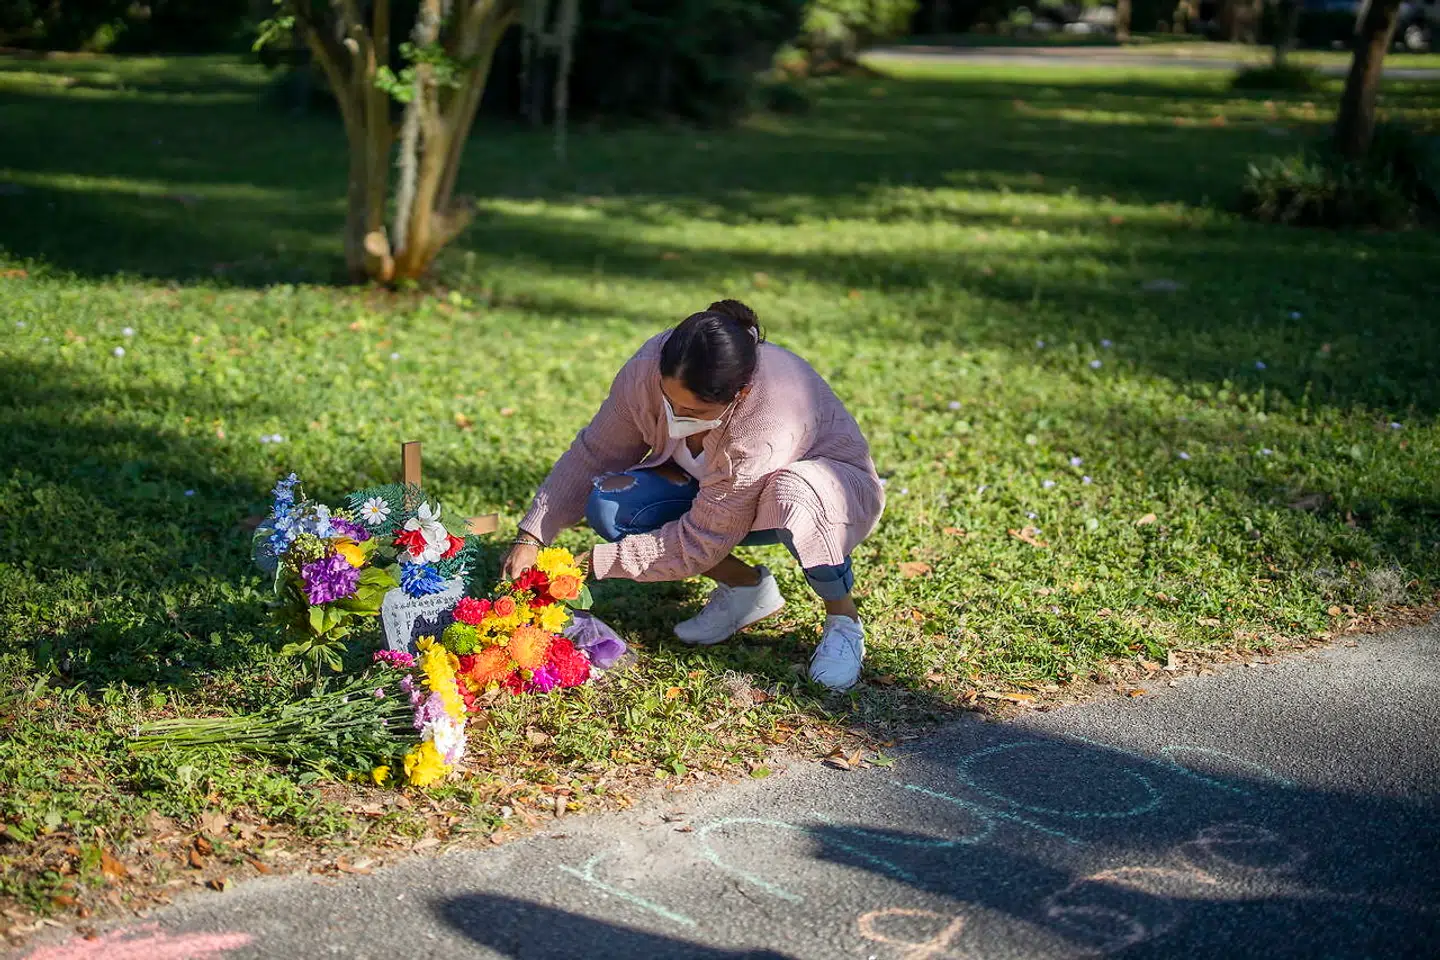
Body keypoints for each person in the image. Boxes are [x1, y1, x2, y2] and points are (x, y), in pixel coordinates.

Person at [501, 300, 884, 690]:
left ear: (741, 392)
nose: (674, 414)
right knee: (613, 503)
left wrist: (591, 563)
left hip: (823, 493)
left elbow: (702, 540)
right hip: (714, 491)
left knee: (794, 496)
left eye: (694, 410)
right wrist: (531, 535)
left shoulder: (765, 421)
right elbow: (596, 453)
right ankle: (746, 589)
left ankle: (843, 620)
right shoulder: (649, 367)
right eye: (669, 400)